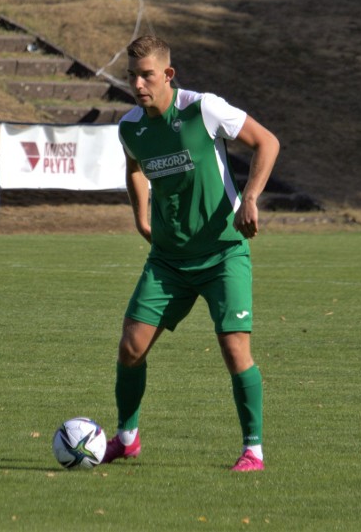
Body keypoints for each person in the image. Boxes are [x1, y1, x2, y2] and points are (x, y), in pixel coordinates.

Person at [102, 35, 280, 472]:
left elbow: (267, 142)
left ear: (168, 75)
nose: (138, 84)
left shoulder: (204, 108)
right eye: (132, 76)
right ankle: (127, 439)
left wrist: (251, 198)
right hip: (167, 260)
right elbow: (134, 169)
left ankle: (253, 451)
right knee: (131, 347)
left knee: (235, 348)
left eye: (147, 75)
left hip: (223, 253)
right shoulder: (130, 127)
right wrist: (140, 216)